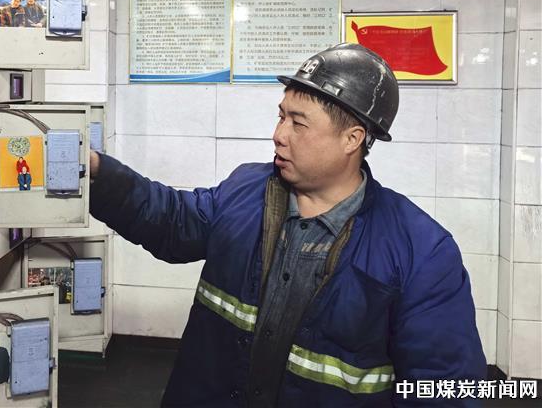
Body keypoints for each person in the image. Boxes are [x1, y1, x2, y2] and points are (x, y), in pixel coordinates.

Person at [88, 43, 486, 407]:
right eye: (281, 116)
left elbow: (445, 389)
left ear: (352, 139)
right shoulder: (246, 189)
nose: (278, 135)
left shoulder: (421, 252)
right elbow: (172, 221)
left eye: (299, 123)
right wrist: (96, 172)